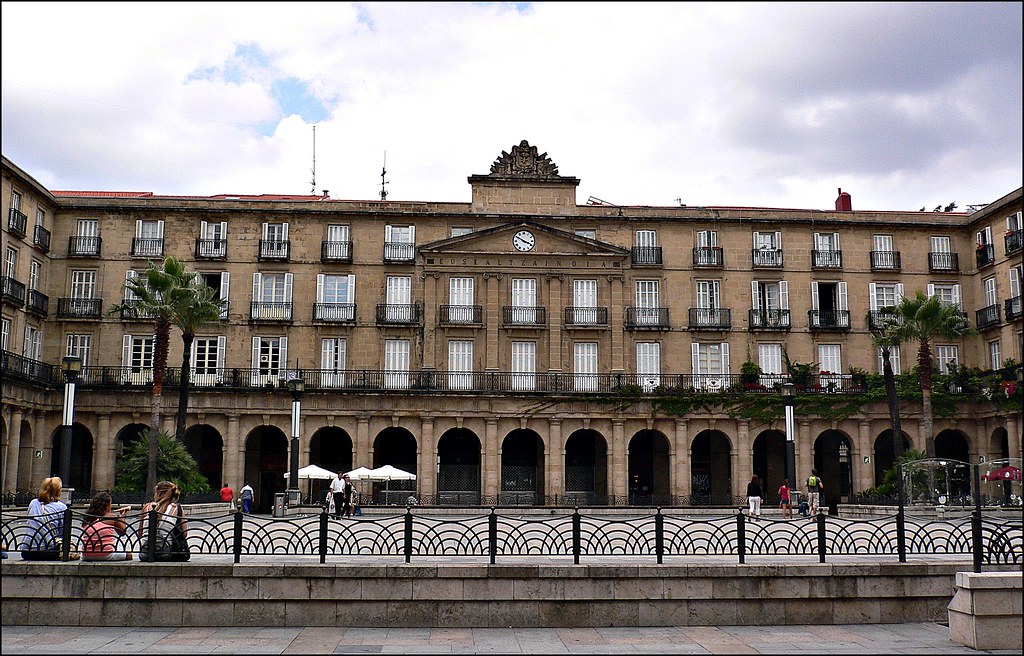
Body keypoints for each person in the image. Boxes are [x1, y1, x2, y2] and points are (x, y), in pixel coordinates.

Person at [137, 481, 188, 561]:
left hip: (145, 553)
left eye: (155, 493)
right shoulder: (177, 508)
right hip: (165, 553)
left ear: (159, 493)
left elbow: (139, 534)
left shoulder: (147, 507)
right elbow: (184, 534)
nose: (154, 495)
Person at [21, 476, 68, 561]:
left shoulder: (33, 503)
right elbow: (63, 532)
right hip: (48, 550)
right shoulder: (61, 507)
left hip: (27, 549)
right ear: (58, 491)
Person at [82, 492, 132, 561]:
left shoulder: (88, 517)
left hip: (86, 555)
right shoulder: (111, 517)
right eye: (110, 504)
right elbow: (122, 532)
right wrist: (122, 517)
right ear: (107, 505)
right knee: (129, 555)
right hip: (106, 554)